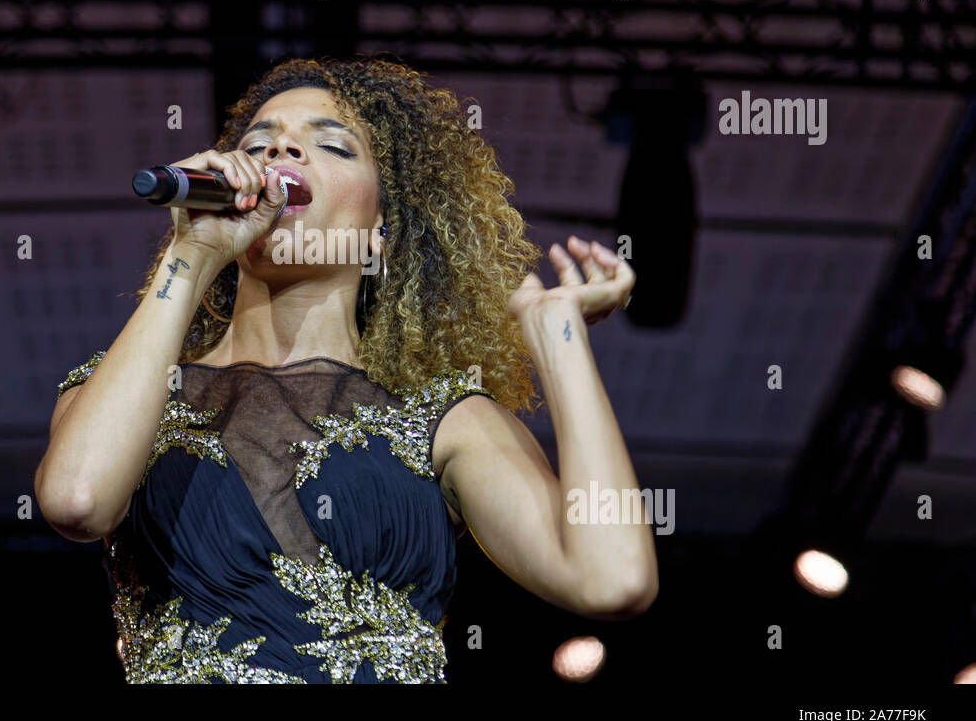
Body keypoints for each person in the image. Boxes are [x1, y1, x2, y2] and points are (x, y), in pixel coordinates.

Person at [34, 56, 656, 683]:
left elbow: (612, 579)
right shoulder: (126, 393)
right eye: (260, 142)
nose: (282, 147)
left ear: (381, 227)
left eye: (332, 144)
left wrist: (558, 335)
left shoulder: (446, 422)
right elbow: (77, 500)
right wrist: (191, 255)